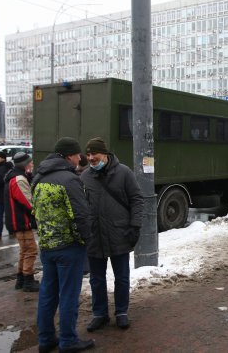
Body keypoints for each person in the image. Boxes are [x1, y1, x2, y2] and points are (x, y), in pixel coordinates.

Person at [32, 137, 94, 353]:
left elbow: (35, 212)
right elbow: (81, 215)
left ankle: (46, 339)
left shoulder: (39, 177)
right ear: (69, 156)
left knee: (48, 293)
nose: (80, 159)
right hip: (68, 247)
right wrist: (86, 240)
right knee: (68, 294)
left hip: (47, 246)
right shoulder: (69, 179)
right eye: (78, 155)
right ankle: (68, 341)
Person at [80, 137, 144, 331]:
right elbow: (81, 206)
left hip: (119, 233)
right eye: (88, 154)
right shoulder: (84, 176)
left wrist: (135, 226)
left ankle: (121, 312)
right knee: (96, 279)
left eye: (94, 154)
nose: (91, 158)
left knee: (122, 277)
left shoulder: (124, 173)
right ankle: (100, 314)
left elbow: (137, 200)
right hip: (95, 235)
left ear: (105, 154)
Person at [4, 152, 39, 292]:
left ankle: (21, 279)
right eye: (30, 162)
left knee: (24, 251)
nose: (32, 164)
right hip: (22, 221)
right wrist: (38, 214)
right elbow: (28, 202)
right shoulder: (18, 179)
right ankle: (28, 280)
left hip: (17, 221)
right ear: (24, 164)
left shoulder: (14, 176)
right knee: (31, 250)